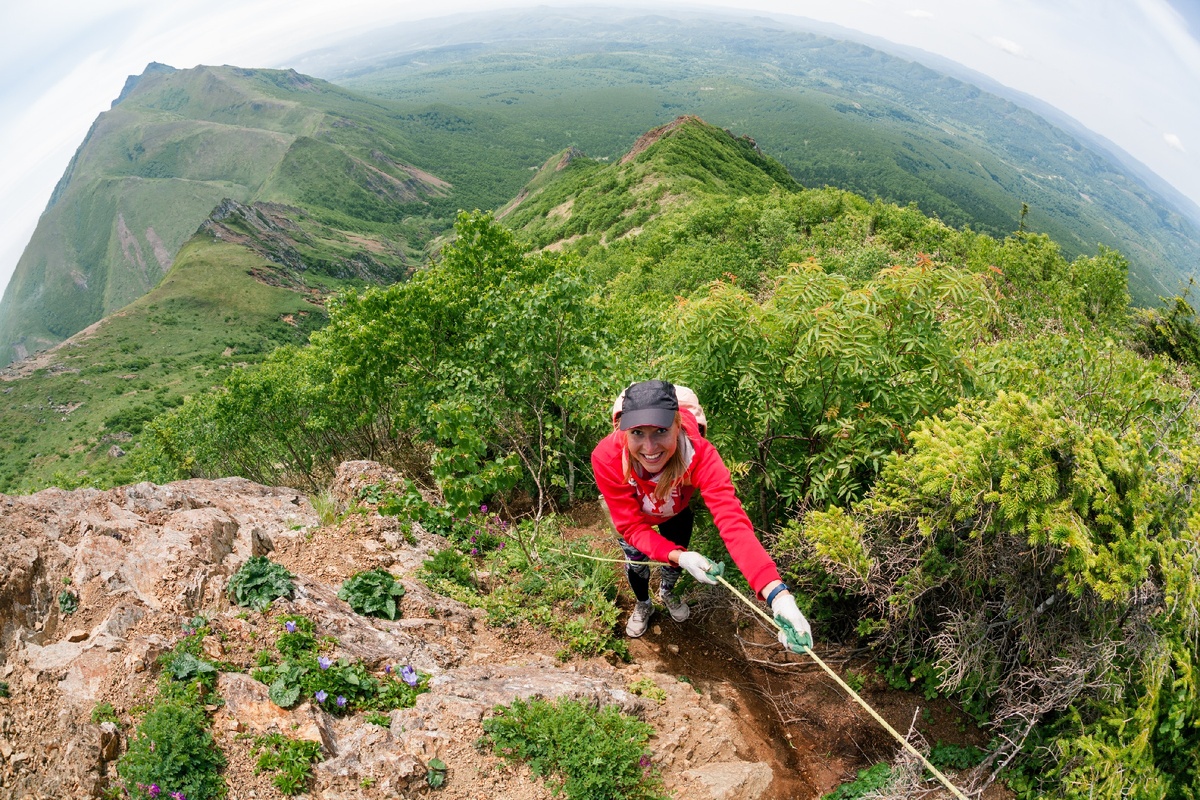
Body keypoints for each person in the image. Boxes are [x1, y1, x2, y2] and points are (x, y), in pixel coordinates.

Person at [591, 379, 813, 652]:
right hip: (637, 524)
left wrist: (778, 595)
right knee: (637, 563)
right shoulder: (607, 457)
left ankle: (667, 592)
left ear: (677, 426)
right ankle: (643, 604)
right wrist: (678, 556)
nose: (649, 448)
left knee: (675, 562)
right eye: (637, 432)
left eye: (660, 430)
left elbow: (733, 523)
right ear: (623, 431)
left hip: (676, 514)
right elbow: (633, 527)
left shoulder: (700, 456)